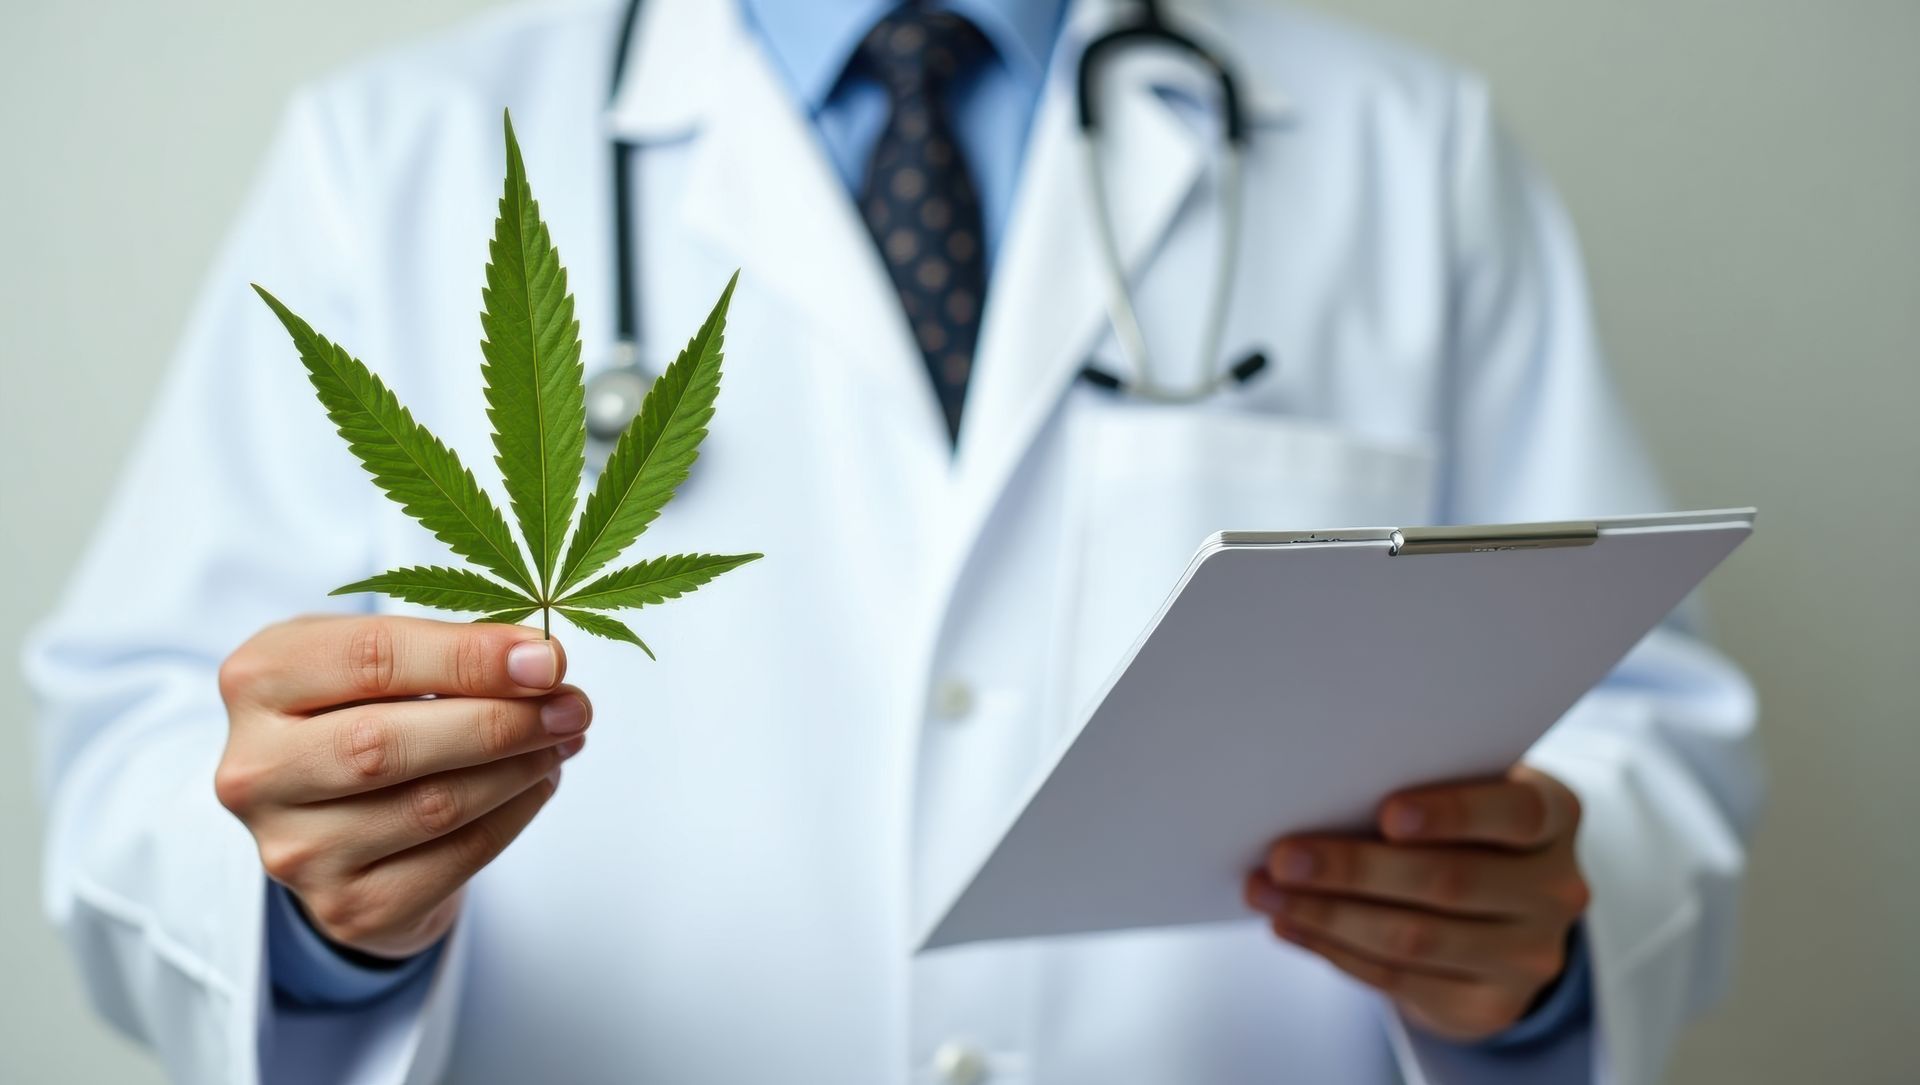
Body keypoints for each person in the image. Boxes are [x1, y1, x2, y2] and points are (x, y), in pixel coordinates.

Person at [25, 0, 1760, 1082]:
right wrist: (315, 926)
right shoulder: (387, 156)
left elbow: (1643, 716)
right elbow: (138, 755)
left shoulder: (1408, 153)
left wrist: (1538, 944)